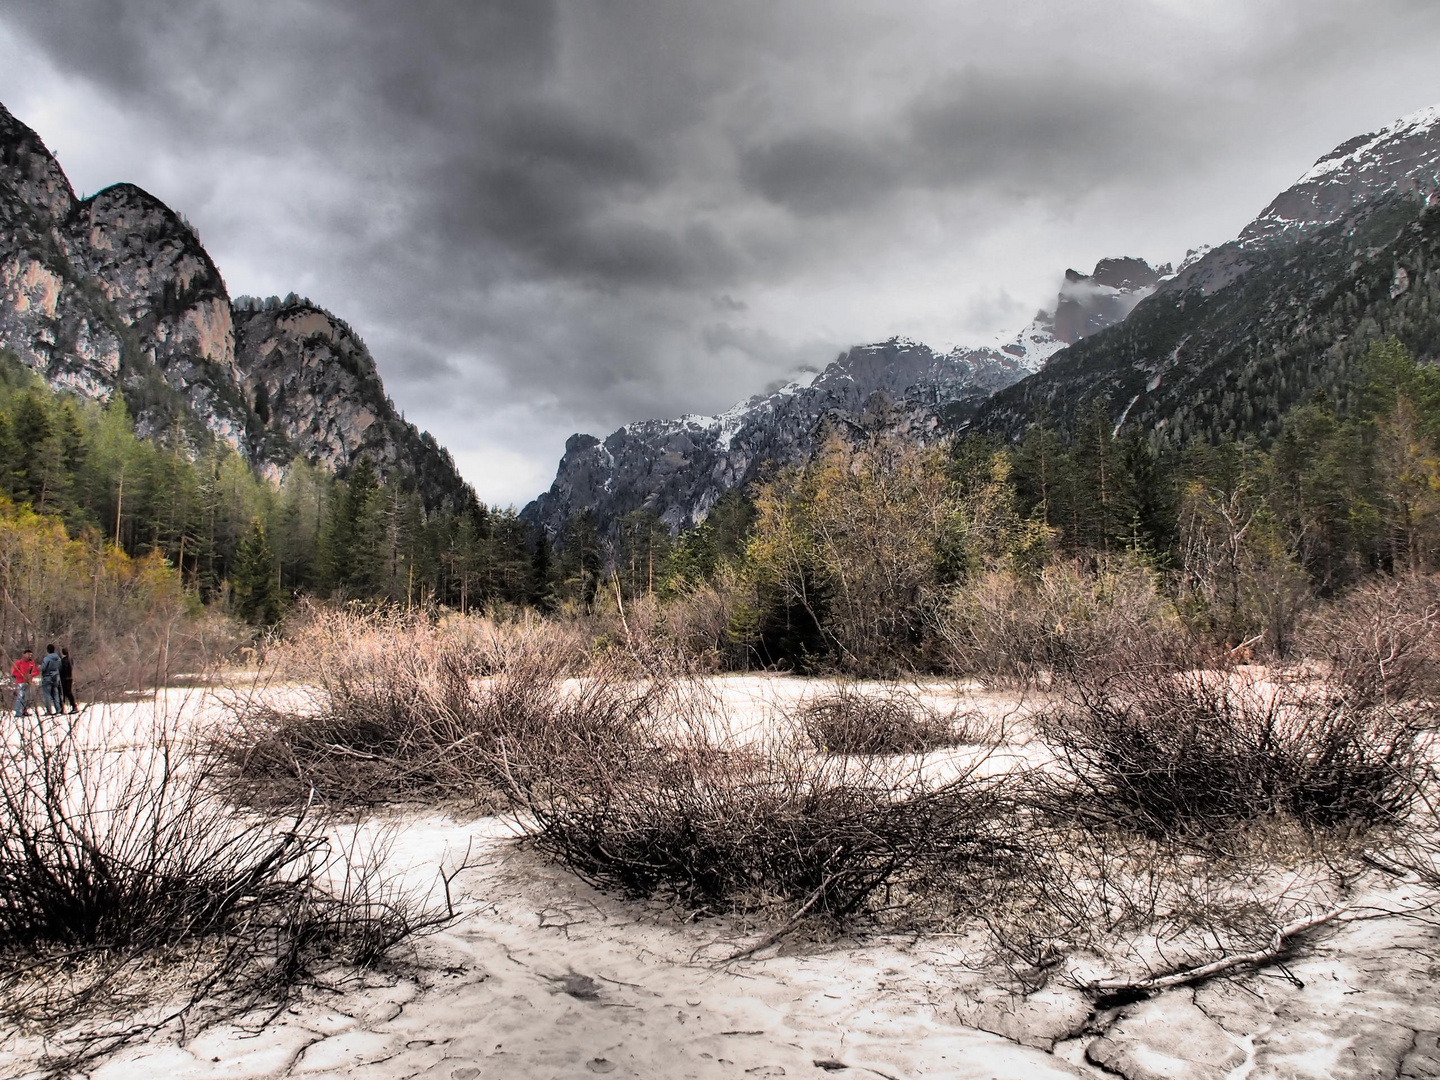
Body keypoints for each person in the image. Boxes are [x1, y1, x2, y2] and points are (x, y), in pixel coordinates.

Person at [11, 648, 37, 717]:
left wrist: (31, 675)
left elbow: (36, 671)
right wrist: (22, 675)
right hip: (20, 682)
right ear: (24, 655)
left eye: (31, 655)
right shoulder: (19, 663)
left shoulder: (32, 663)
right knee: (20, 697)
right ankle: (18, 712)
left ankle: (24, 711)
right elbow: (14, 672)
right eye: (29, 654)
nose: (30, 656)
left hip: (28, 682)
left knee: (27, 697)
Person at [39, 644, 62, 716]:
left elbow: (43, 668)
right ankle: (58, 709)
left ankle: (49, 710)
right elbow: (60, 667)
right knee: (55, 694)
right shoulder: (58, 658)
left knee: (47, 695)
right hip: (56, 677)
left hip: (47, 677)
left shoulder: (47, 658)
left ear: (48, 650)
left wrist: (39, 668)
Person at [59, 647, 78, 713]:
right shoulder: (71, 659)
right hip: (70, 677)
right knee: (68, 692)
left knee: (64, 693)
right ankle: (73, 706)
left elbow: (62, 670)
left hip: (64, 678)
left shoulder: (63, 661)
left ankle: (62, 708)